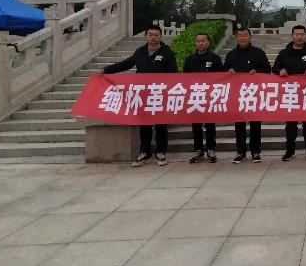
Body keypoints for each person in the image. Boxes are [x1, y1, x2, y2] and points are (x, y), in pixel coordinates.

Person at [103, 24, 177, 167]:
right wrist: (106, 70)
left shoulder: (167, 52)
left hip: (160, 94)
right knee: (144, 125)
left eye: (156, 35)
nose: (153, 37)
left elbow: (173, 74)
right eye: (151, 34)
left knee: (161, 125)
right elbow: (125, 64)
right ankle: (144, 152)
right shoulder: (140, 52)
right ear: (146, 36)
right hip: (143, 94)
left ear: (161, 36)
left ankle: (161, 152)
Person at [273, 24, 306, 161]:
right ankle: (289, 151)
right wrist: (280, 71)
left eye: (302, 34)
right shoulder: (284, 53)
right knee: (290, 125)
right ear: (292, 36)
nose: (299, 37)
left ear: (305, 36)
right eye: (297, 34)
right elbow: (274, 68)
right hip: (291, 94)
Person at [224, 27, 271, 163]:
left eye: (245, 35)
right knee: (239, 125)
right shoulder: (231, 54)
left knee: (255, 124)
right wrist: (229, 71)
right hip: (237, 94)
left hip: (254, 93)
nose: (242, 38)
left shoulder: (258, 53)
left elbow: (267, 69)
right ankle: (241, 152)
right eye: (240, 35)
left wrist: (257, 72)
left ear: (250, 37)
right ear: (236, 38)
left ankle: (255, 152)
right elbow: (223, 71)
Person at [183, 32, 223, 164]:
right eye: (198, 41)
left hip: (210, 97)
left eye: (203, 41)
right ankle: (198, 150)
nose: (201, 43)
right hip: (195, 97)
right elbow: (185, 79)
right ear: (195, 43)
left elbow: (221, 77)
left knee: (210, 125)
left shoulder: (215, 59)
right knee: (196, 126)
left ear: (208, 42)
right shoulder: (189, 60)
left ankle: (211, 149)